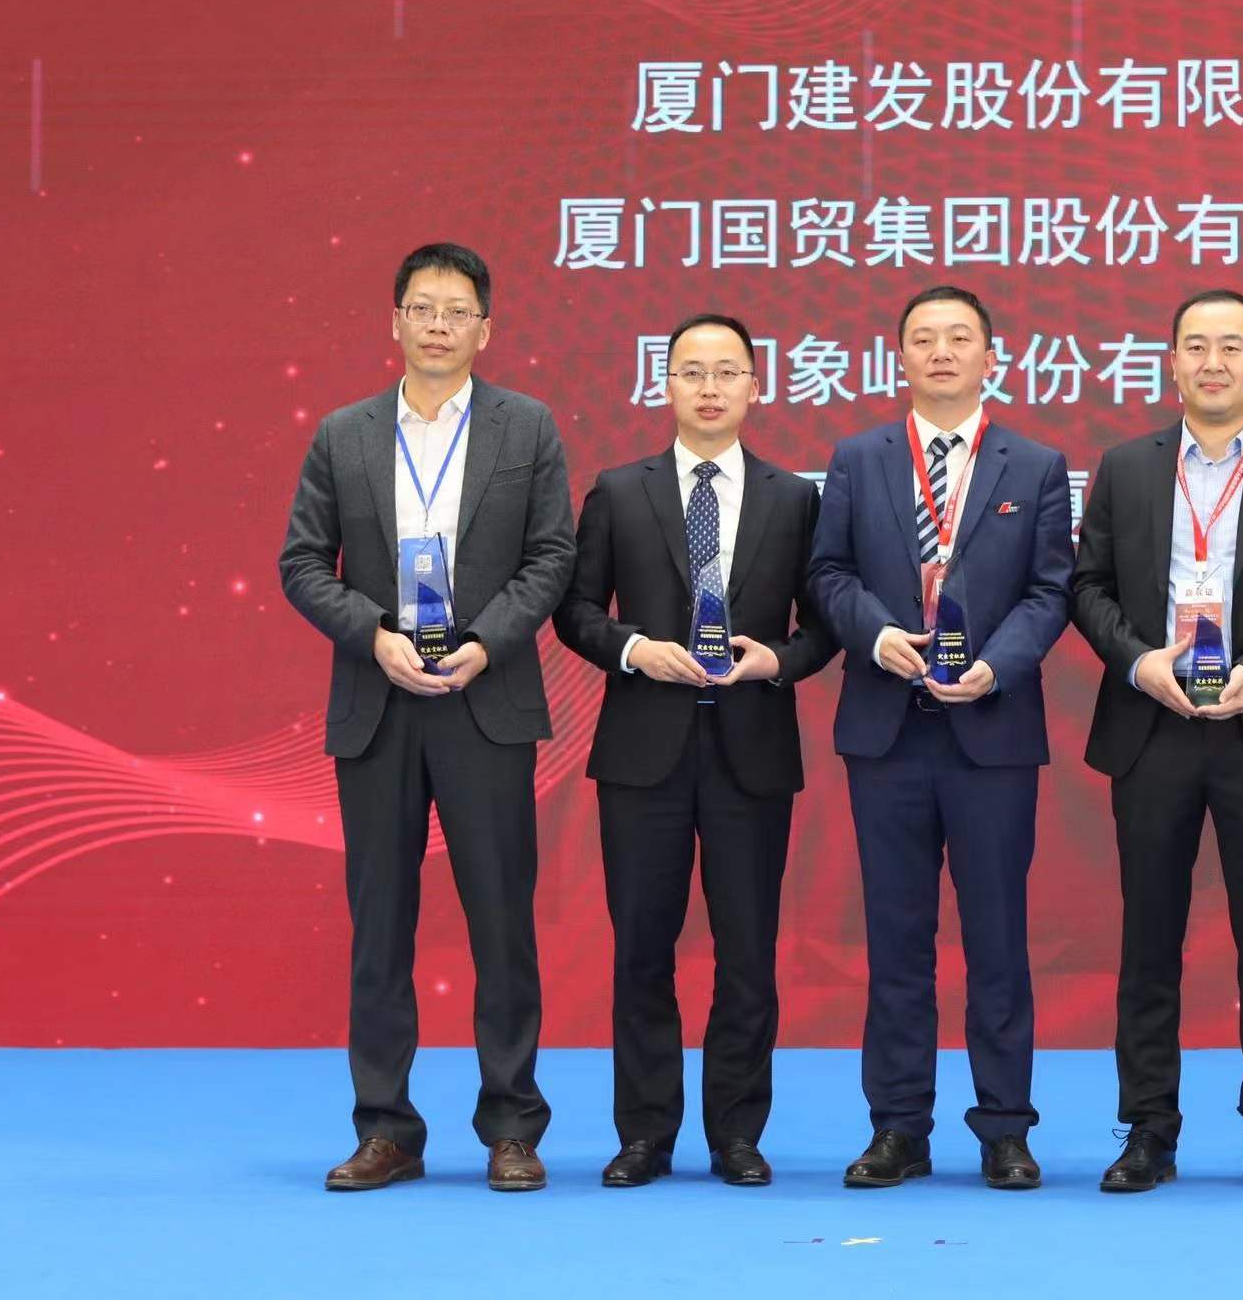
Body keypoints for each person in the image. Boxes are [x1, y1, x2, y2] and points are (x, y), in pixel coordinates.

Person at [279, 242, 575, 1193]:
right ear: (395, 321)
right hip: (380, 701)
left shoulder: (527, 427)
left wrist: (485, 641)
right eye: (422, 308)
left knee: (502, 922)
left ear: (486, 329)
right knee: (381, 925)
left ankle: (512, 1127)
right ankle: (387, 1130)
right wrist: (373, 636)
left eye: (457, 311)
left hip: (486, 700)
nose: (438, 325)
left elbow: (552, 557)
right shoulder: (345, 434)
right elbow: (301, 563)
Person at [1069, 289, 1243, 1194]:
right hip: (1152, 728)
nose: (1213, 362)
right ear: (1172, 363)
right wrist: (1138, 661)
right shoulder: (1126, 467)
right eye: (1196, 346)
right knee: (1149, 939)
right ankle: (1147, 1129)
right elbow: (1087, 586)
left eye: (1232, 347)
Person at [553, 313, 837, 1190]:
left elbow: (824, 624)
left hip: (752, 749)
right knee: (642, 948)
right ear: (664, 383)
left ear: (756, 385)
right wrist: (635, 649)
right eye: (691, 371)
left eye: (726, 372)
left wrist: (775, 662)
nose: (709, 388)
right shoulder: (618, 491)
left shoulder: (794, 498)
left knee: (748, 952)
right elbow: (575, 611)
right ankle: (644, 1133)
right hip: (644, 752)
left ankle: (737, 1134)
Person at [806, 285, 1074, 1191]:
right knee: (896, 940)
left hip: (991, 730)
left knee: (998, 939)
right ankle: (898, 1128)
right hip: (888, 733)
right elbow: (827, 572)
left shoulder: (1035, 465)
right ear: (900, 358)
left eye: (960, 337)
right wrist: (877, 634)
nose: (942, 352)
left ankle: (1004, 1129)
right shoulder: (858, 458)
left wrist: (997, 665)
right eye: (924, 338)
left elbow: (1051, 589)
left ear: (991, 357)